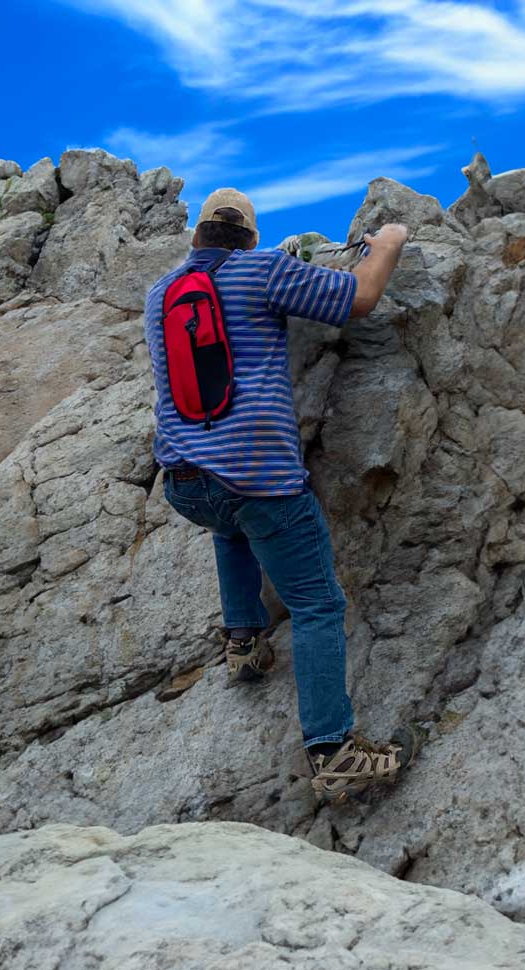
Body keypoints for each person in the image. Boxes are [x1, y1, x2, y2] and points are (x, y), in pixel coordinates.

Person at [145, 186, 411, 803]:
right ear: (251, 239)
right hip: (260, 479)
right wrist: (390, 242)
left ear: (196, 238)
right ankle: (333, 749)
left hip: (185, 481)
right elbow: (361, 297)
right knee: (317, 604)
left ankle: (243, 641)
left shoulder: (160, 293)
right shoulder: (263, 269)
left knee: (229, 523)